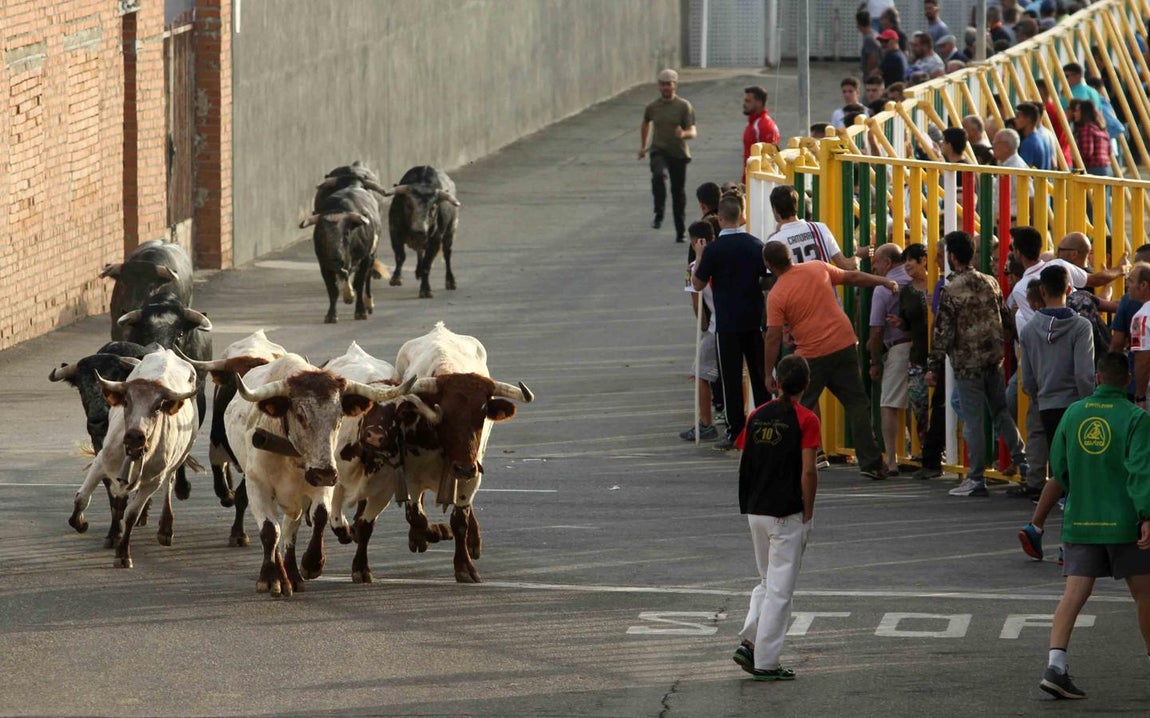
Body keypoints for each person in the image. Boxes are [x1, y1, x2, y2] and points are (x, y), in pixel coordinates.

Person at [1036, 350, 1150, 700]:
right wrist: (1146, 514)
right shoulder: (1136, 418)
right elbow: (1140, 470)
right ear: (1126, 380)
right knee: (1144, 593)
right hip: (1124, 521)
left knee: (1074, 594)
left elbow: (1058, 466)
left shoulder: (1073, 413)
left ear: (1097, 378)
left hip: (1082, 518)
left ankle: (1055, 666)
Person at [762, 241, 897, 480]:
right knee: (857, 403)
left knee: (796, 407)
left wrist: (767, 373)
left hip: (811, 355)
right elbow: (852, 277)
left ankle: (789, 461)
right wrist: (883, 281)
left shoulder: (777, 294)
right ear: (790, 256)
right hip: (843, 343)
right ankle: (872, 463)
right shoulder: (817, 267)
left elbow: (773, 337)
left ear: (769, 265)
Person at [730, 354, 819, 682]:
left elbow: (745, 458)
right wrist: (808, 511)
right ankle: (766, 660)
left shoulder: (757, 415)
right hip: (786, 510)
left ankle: (750, 642)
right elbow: (808, 471)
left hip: (757, 508)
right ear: (806, 384)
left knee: (768, 582)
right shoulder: (806, 419)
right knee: (780, 590)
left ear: (777, 382)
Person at [926, 230, 1027, 497]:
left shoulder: (951, 289)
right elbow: (1005, 318)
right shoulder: (990, 282)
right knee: (1001, 413)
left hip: (967, 362)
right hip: (993, 359)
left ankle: (976, 478)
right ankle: (1025, 463)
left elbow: (942, 332)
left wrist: (933, 366)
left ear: (952, 256)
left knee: (973, 421)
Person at [1016, 266, 1097, 561]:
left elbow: (1027, 379)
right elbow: (1084, 374)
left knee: (1062, 471)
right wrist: (1089, 404)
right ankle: (1068, 543)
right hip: (1076, 405)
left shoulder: (1028, 330)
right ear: (1070, 290)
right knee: (1079, 475)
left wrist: (1041, 397)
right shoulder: (1080, 327)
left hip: (1047, 406)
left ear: (1042, 291)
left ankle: (1036, 526)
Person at [692, 195, 769, 451]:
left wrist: (700, 256)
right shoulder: (755, 245)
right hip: (754, 321)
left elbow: (698, 284)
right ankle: (765, 425)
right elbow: (768, 279)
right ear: (742, 216)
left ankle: (735, 431)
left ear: (720, 219)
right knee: (759, 375)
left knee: (731, 379)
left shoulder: (714, 250)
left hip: (726, 325)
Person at [867, 244, 914, 475]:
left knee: (888, 404)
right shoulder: (913, 279)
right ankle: (918, 452)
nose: (873, 267)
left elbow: (877, 330)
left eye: (876, 262)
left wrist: (874, 360)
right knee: (916, 403)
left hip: (897, 348)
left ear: (887, 262)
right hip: (918, 346)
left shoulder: (883, 289)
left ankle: (892, 460)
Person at [639, 68, 697, 243]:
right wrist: (643, 146)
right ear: (658, 86)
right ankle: (659, 213)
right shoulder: (652, 107)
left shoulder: (683, 106)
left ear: (675, 85)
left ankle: (680, 231)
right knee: (658, 175)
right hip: (659, 150)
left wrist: (683, 134)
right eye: (662, 84)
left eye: (669, 84)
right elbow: (645, 123)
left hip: (678, 153)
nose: (665, 87)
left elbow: (693, 131)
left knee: (677, 192)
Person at [681, 221, 721, 442]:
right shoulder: (725, 255)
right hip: (740, 322)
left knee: (700, 373)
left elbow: (697, 305)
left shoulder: (693, 267)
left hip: (716, 326)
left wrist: (704, 326)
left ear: (696, 242)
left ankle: (706, 423)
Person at [892, 243, 931, 463]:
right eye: (904, 260)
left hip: (941, 355)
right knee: (919, 404)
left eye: (910, 260)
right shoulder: (906, 291)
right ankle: (926, 449)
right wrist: (900, 323)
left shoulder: (939, 284)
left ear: (923, 260)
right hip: (917, 356)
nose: (906, 265)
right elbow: (906, 322)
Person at [765, 185, 861, 270]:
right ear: (796, 205)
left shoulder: (774, 241)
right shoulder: (820, 228)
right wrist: (864, 254)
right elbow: (846, 264)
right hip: (823, 284)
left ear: (775, 209)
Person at [742, 85, 780, 167]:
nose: (744, 104)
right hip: (751, 173)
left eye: (748, 101)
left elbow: (769, 160)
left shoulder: (764, 126)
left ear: (759, 103)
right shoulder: (753, 123)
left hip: (759, 174)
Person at [1015, 102, 1053, 170]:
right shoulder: (1042, 139)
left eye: (1018, 117)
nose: (1015, 120)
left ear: (1028, 119)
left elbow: (1025, 172)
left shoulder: (1028, 143)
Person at [857, 8, 882, 80]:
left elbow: (872, 59)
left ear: (859, 25)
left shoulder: (869, 39)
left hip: (872, 77)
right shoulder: (875, 33)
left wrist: (869, 77)